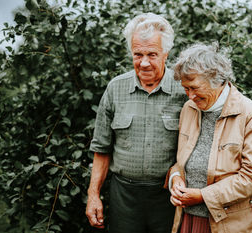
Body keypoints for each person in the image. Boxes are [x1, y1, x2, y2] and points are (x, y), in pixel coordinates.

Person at [86, 13, 187, 233]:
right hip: (124, 196)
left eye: (152, 54)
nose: (144, 63)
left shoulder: (184, 90)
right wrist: (93, 195)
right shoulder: (115, 88)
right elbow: (102, 148)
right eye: (137, 54)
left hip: (169, 196)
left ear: (166, 54)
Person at [166, 43, 252, 233]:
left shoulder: (248, 113)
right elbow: (182, 161)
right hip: (189, 218)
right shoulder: (189, 109)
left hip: (232, 224)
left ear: (216, 80)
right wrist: (175, 178)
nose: (190, 96)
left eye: (194, 88)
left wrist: (203, 196)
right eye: (185, 89)